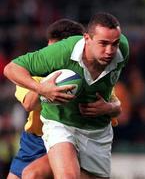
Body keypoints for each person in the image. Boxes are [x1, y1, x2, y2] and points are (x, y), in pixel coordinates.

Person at [4, 12, 129, 179]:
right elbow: (28, 103)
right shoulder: (39, 74)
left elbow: (116, 108)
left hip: (93, 134)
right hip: (40, 138)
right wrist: (43, 89)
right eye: (49, 50)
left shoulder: (115, 58)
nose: (110, 50)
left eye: (114, 44)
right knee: (34, 175)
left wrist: (109, 107)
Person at [7, 18, 85, 179]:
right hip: (34, 141)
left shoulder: (87, 74)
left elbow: (113, 106)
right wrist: (43, 86)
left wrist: (113, 106)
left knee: (32, 176)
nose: (51, 54)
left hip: (70, 139)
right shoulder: (30, 73)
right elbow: (29, 104)